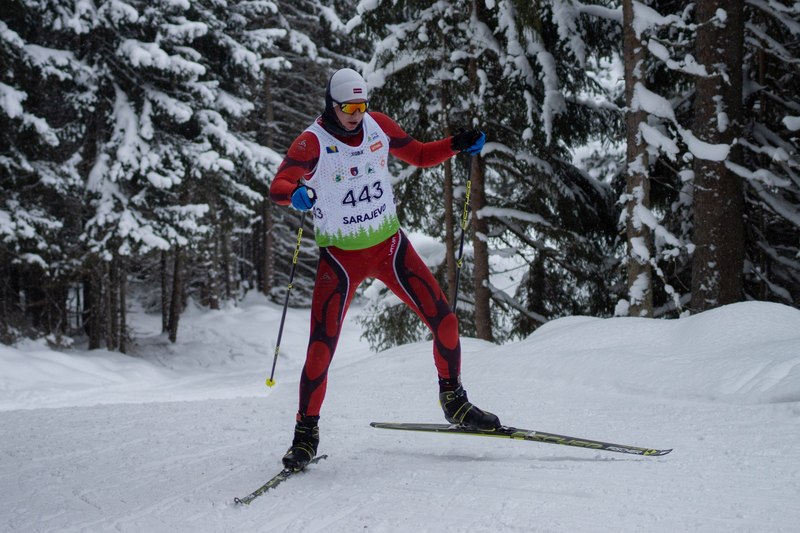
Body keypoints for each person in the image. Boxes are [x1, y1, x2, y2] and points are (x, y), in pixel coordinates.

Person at [270, 68, 500, 471]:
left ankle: (454, 401)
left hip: (390, 248)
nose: (356, 115)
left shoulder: (378, 125)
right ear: (331, 105)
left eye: (361, 106)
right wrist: (297, 194)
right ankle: (305, 436)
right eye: (348, 108)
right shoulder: (312, 141)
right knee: (320, 349)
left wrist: (457, 144)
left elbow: (421, 154)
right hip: (340, 259)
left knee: (445, 321)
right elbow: (279, 186)